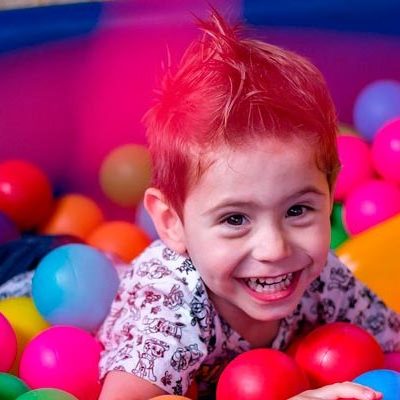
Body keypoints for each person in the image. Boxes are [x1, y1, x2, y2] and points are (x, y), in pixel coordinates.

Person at [97, 9, 400, 400]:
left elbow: (391, 346)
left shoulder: (322, 275)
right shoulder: (173, 301)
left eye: (297, 210)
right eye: (235, 218)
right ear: (172, 222)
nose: (275, 249)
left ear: (329, 196)